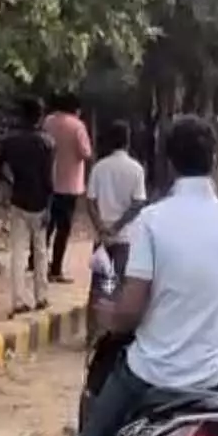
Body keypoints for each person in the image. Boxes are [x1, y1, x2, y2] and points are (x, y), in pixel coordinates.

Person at [55, 116, 218, 436]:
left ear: (168, 163)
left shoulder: (152, 221)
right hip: (213, 381)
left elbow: (131, 311)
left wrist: (108, 314)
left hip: (150, 376)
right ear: (212, 161)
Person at [84, 120, 147, 345]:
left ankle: (92, 333)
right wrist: (117, 227)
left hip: (102, 239)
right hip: (124, 238)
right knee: (116, 285)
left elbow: (90, 201)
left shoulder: (99, 167)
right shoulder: (136, 169)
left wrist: (101, 227)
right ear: (128, 142)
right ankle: (111, 335)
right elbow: (138, 203)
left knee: (98, 285)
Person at [0, 96, 55, 318]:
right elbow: (48, 179)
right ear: (39, 116)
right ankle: (41, 296)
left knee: (18, 252)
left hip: (18, 199)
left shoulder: (10, 142)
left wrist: (10, 181)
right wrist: (49, 205)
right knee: (40, 250)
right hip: (39, 202)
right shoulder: (47, 142)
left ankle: (18, 300)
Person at [42, 92, 92, 283]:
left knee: (47, 225)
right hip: (70, 184)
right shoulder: (77, 126)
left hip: (49, 181)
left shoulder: (48, 122)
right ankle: (56, 269)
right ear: (75, 109)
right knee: (63, 229)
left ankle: (36, 261)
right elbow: (85, 153)